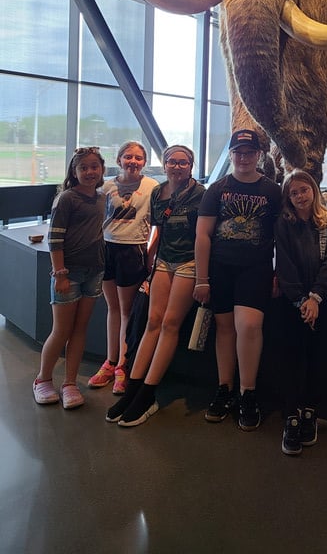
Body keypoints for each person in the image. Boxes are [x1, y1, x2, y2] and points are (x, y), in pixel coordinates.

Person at [105, 145, 205, 427]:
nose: (177, 167)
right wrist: (150, 260)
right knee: (153, 322)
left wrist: (204, 275)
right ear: (164, 165)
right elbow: (158, 230)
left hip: (189, 264)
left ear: (191, 166)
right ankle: (134, 388)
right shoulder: (157, 193)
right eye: (172, 162)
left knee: (170, 323)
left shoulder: (201, 195)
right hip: (163, 262)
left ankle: (148, 392)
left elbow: (203, 236)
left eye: (183, 162)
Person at [194, 129, 281, 431]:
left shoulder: (272, 190)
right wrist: (201, 278)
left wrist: (278, 271)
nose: (243, 158)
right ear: (231, 155)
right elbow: (203, 236)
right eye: (238, 152)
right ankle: (224, 388)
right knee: (225, 328)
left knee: (250, 325)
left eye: (249, 152)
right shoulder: (216, 190)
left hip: (255, 268)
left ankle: (248, 392)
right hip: (221, 267)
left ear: (259, 155)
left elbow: (281, 236)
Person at [33, 147, 106, 409]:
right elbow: (55, 238)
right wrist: (60, 274)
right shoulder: (67, 199)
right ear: (74, 172)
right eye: (83, 167)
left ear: (101, 170)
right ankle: (43, 379)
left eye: (94, 167)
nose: (89, 172)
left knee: (79, 330)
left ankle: (70, 383)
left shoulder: (101, 198)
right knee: (61, 330)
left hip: (94, 271)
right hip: (69, 273)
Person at [274, 169, 327, 455]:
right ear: (288, 197)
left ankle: (310, 409)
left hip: (318, 301)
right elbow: (284, 265)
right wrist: (301, 300)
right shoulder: (283, 224)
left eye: (304, 190)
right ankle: (291, 413)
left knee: (316, 356)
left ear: (313, 190)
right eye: (294, 192)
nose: (300, 196)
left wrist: (315, 298)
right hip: (293, 303)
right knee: (291, 355)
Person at [88, 141, 158, 395]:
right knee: (113, 308)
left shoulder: (152, 187)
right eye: (128, 156)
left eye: (138, 158)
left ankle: (123, 366)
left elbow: (158, 224)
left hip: (133, 249)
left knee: (127, 311)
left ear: (144, 162)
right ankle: (110, 361)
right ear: (119, 160)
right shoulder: (105, 186)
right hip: (107, 248)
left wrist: (150, 254)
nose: (133, 161)